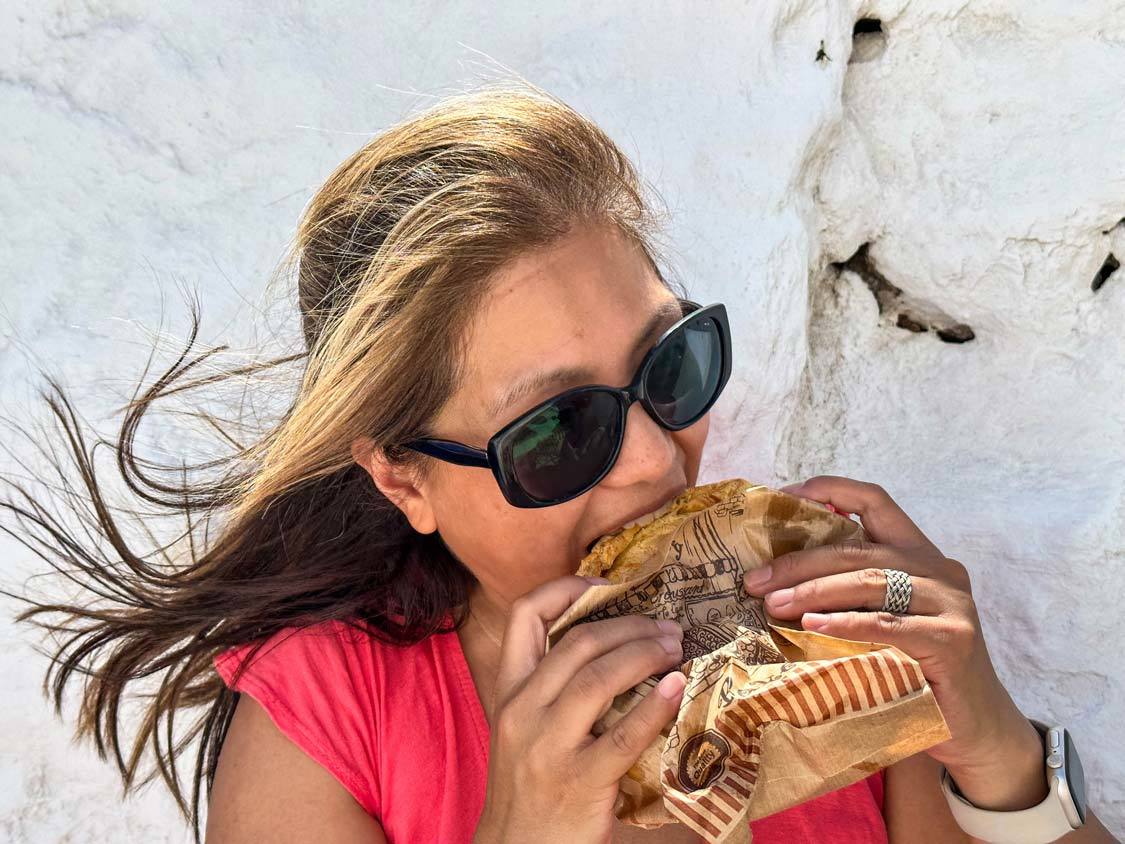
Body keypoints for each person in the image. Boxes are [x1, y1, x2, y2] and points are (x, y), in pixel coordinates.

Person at [2, 82, 1116, 844]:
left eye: (671, 370)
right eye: (555, 433)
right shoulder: (331, 719)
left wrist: (997, 752)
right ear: (403, 478)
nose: (649, 462)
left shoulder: (823, 644)